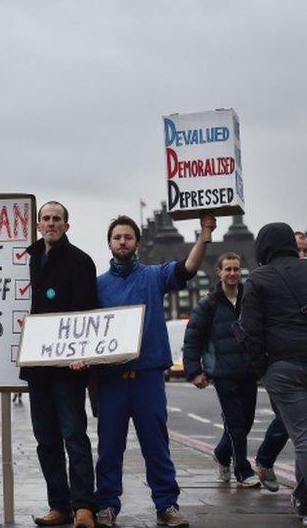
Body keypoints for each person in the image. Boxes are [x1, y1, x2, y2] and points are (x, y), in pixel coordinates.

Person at [94, 214, 215, 528]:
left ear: (136, 242)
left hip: (147, 376)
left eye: (128, 237)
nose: (123, 242)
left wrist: (204, 235)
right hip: (110, 380)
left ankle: (166, 505)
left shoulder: (154, 275)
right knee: (109, 447)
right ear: (109, 243)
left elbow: (188, 268)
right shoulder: (97, 286)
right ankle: (106, 505)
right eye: (117, 237)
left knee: (156, 446)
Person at [240, 223, 307, 526]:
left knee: (305, 439)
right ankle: (303, 501)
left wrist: (264, 369)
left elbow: (250, 332)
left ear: (264, 246)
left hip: (283, 369)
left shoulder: (258, 279)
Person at [21, 201, 97, 528]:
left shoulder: (81, 261)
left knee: (74, 436)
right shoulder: (30, 258)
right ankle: (59, 505)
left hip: (69, 365)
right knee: (46, 440)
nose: (51, 223)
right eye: (46, 219)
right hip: (38, 365)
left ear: (67, 225)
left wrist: (82, 354)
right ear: (38, 224)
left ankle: (83, 507)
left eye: (57, 219)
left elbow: (86, 313)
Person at [182, 253, 260, 488]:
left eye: (236, 269)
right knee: (236, 422)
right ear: (219, 272)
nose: (233, 273)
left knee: (246, 422)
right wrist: (195, 371)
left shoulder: (250, 300)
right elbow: (192, 339)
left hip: (248, 371)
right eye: (228, 269)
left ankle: (221, 453)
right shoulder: (209, 305)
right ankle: (243, 472)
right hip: (223, 373)